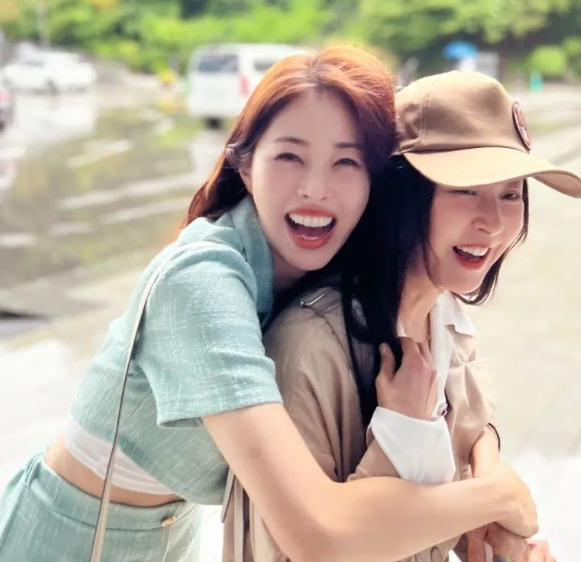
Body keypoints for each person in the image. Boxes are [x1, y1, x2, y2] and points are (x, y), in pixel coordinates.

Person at [0, 50, 537, 562]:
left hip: (168, 535)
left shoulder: (340, 262)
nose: (316, 189)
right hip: (66, 537)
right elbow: (315, 532)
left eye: (346, 162)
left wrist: (483, 459)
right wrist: (498, 496)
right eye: (289, 157)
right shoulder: (201, 284)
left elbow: (459, 375)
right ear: (244, 165)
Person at [224, 71, 581, 562]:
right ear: (401, 193)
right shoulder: (312, 349)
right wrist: (405, 438)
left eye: (510, 194)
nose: (493, 222)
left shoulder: (445, 314)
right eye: (465, 190)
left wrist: (488, 501)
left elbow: (474, 426)